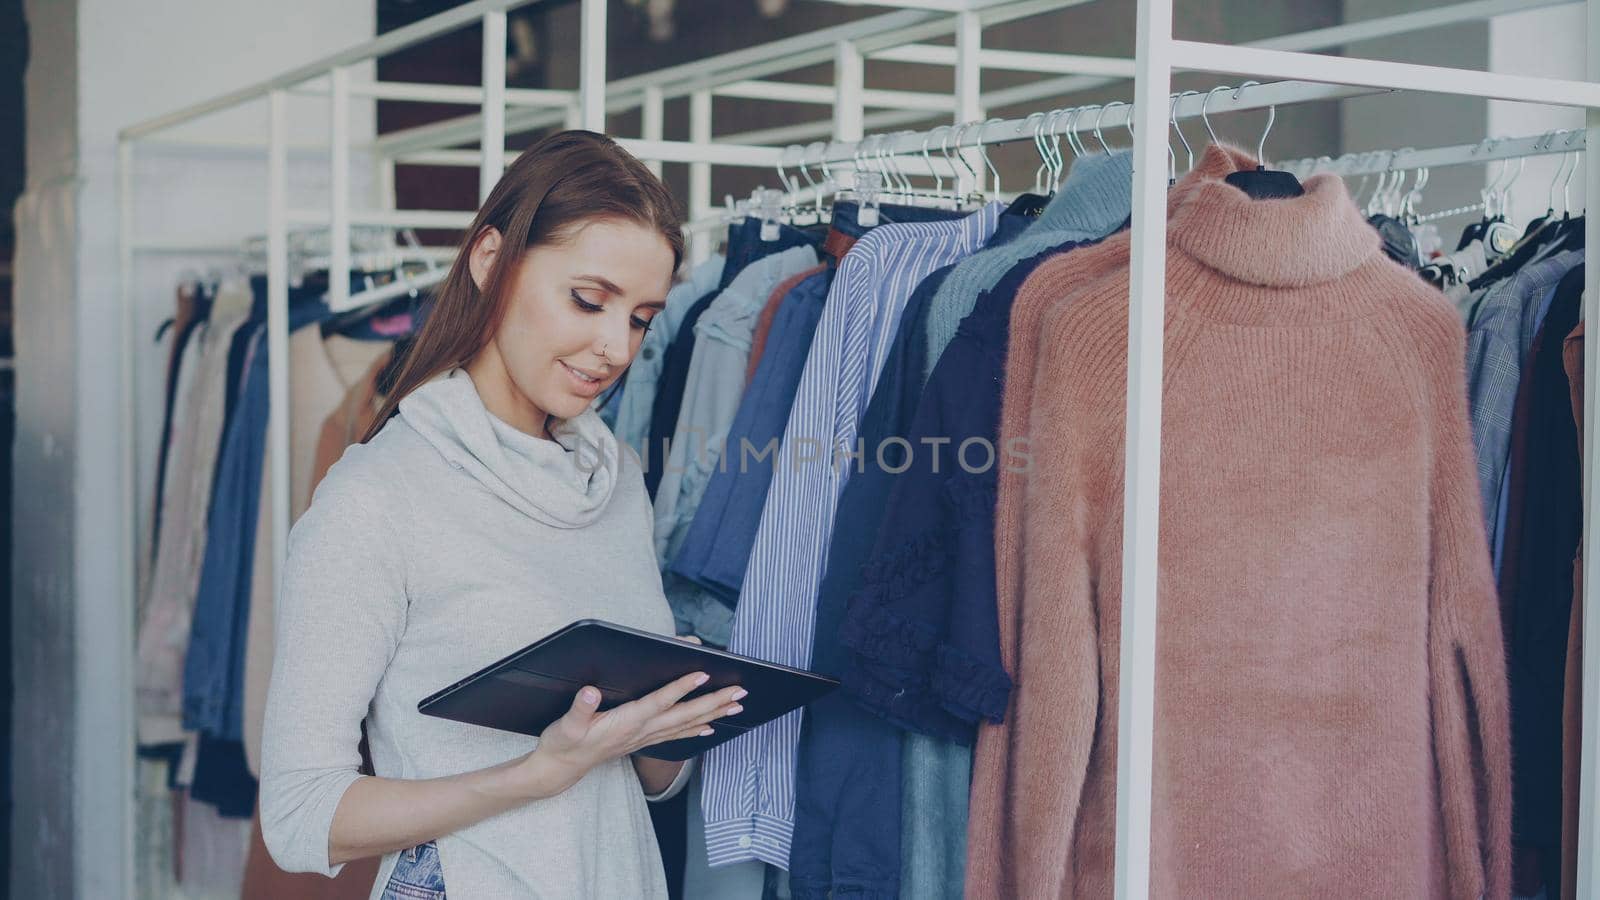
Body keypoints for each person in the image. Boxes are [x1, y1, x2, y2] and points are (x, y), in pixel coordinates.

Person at [259, 130, 745, 899]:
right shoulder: (376, 500)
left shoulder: (612, 477)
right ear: (492, 262)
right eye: (589, 300)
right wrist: (536, 773)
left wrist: (667, 718)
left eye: (642, 318)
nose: (616, 347)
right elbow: (298, 818)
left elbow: (648, 785)